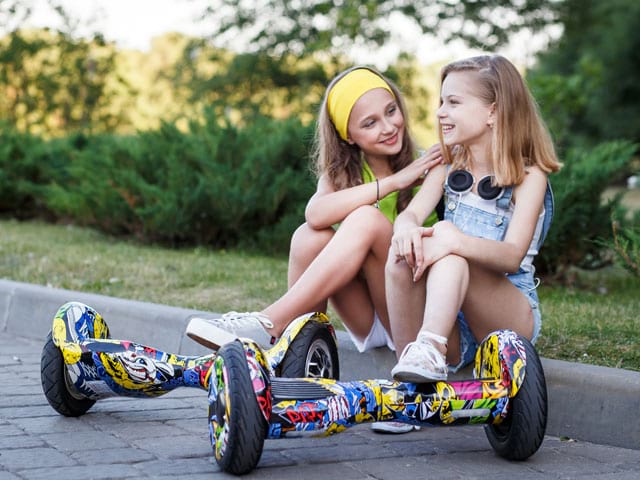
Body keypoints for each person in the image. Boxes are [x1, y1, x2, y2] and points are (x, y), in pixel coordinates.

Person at [187, 66, 442, 433]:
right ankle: (297, 365)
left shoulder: (428, 164)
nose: (387, 127)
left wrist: (405, 178)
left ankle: (267, 325)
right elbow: (315, 213)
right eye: (369, 123)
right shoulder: (342, 175)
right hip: (370, 311)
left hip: (412, 310)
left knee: (366, 221)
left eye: (390, 111)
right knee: (310, 235)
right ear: (348, 136)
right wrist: (393, 182)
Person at [385, 54, 561, 383]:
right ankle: (410, 378)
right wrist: (406, 229)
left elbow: (512, 257)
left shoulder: (529, 175)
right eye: (441, 102)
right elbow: (410, 213)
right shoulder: (449, 164)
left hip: (506, 316)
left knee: (450, 248)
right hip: (452, 318)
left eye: (453, 102)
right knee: (399, 257)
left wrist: (454, 241)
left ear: (493, 111)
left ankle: (430, 348)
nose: (440, 112)